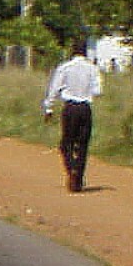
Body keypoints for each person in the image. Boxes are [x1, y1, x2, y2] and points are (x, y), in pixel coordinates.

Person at [42, 39, 103, 192]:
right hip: (85, 108)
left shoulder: (65, 68)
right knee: (82, 145)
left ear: (72, 51)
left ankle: (72, 168)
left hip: (70, 108)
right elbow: (98, 91)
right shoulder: (92, 68)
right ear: (85, 52)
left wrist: (49, 108)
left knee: (66, 143)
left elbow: (54, 89)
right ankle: (79, 178)